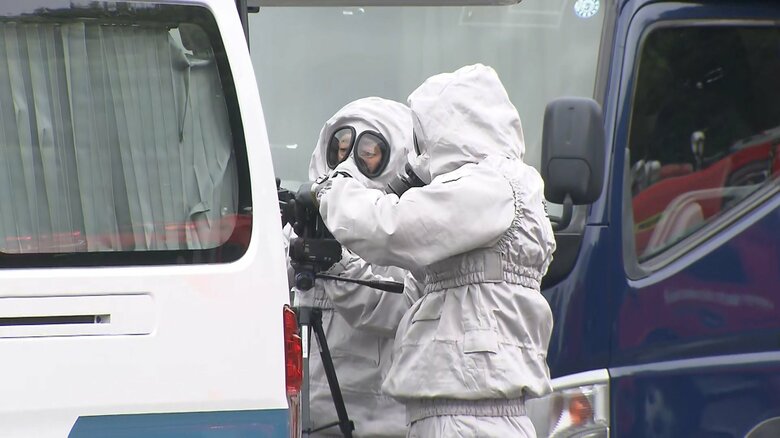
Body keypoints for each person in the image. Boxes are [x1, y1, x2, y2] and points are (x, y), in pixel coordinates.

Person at [315, 64, 557, 437]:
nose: (419, 154)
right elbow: (405, 296)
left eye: (424, 137)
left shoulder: (491, 186)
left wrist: (332, 190)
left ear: (453, 125)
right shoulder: (490, 197)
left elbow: (391, 228)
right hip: (457, 410)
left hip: (469, 417)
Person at [296, 97, 413, 437]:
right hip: (307, 418)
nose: (347, 165)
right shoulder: (305, 224)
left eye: (368, 154)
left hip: (376, 424)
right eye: (341, 150)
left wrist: (339, 263)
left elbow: (396, 310)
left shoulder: (405, 234)